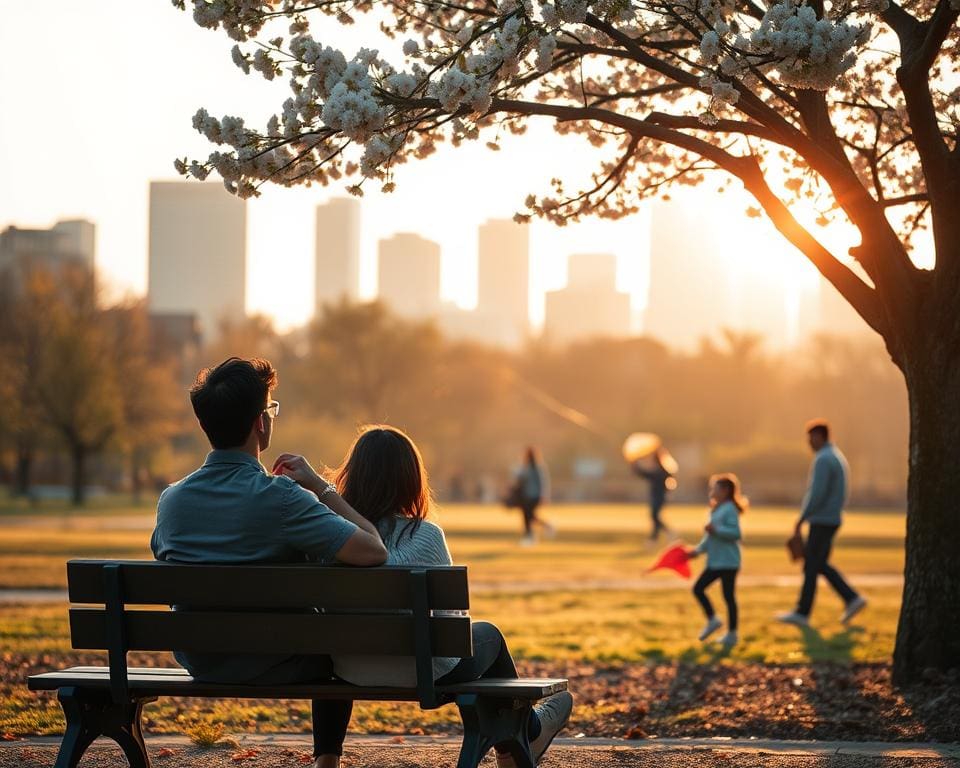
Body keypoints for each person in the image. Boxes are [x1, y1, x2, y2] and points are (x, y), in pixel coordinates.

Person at [150, 358, 388, 768]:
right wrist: (321, 487)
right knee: (336, 651)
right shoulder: (282, 498)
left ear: (205, 425)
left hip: (201, 659)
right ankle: (326, 761)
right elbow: (373, 550)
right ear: (261, 423)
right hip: (279, 661)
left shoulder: (171, 501)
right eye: (270, 409)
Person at [329, 426, 573, 768]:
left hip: (347, 668)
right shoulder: (426, 535)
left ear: (352, 476)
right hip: (424, 672)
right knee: (489, 635)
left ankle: (326, 758)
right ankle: (525, 736)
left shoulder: (331, 535)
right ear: (410, 480)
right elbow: (450, 618)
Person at [776, 419, 867, 628]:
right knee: (818, 564)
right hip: (831, 518)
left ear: (819, 436)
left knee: (811, 565)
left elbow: (816, 493)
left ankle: (803, 612)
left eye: (810, 438)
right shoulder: (835, 456)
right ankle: (851, 598)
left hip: (822, 519)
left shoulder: (824, 459)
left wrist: (803, 517)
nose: (808, 443)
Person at [687, 473, 746, 647]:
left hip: (728, 562)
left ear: (726, 491)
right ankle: (713, 620)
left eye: (715, 488)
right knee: (699, 589)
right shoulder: (717, 509)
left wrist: (717, 530)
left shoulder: (729, 509)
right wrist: (697, 551)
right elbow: (710, 537)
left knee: (728, 597)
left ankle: (732, 634)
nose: (711, 491)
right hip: (716, 561)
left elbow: (736, 533)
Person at [512, 447, 554, 546]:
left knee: (529, 515)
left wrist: (543, 495)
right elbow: (519, 478)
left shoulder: (537, 467)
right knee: (527, 516)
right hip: (525, 495)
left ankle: (540, 529)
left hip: (534, 496)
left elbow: (543, 482)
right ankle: (530, 536)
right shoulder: (525, 467)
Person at [631, 447, 675, 542]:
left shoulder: (660, 471)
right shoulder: (663, 470)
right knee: (654, 516)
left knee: (654, 516)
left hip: (658, 497)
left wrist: (635, 465)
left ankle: (667, 532)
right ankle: (654, 538)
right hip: (657, 496)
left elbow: (646, 474)